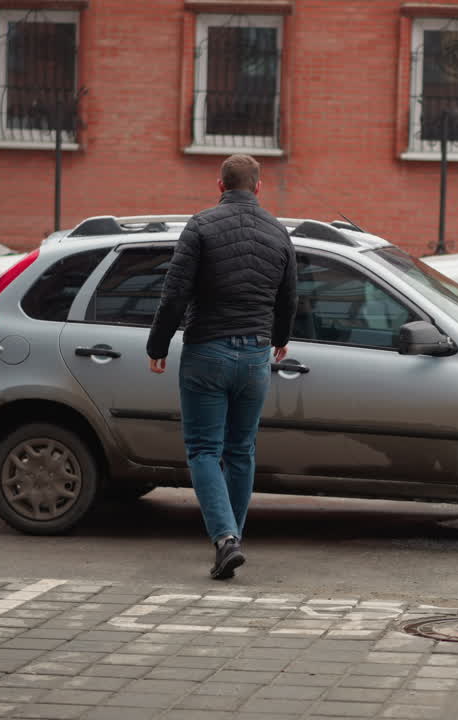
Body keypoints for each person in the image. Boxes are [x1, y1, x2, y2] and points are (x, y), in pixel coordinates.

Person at [146, 154, 296, 580]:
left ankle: (225, 540)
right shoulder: (277, 231)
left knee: (204, 450)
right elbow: (289, 296)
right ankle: (232, 541)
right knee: (241, 449)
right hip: (254, 357)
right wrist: (280, 338)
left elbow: (174, 293)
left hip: (207, 353)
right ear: (259, 187)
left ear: (219, 185)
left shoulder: (200, 227)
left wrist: (158, 343)